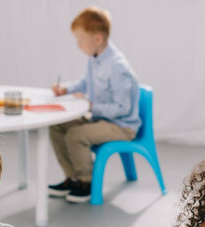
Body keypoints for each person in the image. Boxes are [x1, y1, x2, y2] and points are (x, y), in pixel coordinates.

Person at [49, 5, 141, 203]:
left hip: (121, 126)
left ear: (97, 39)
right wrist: (66, 88)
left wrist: (91, 106)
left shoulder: (117, 66)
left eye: (81, 40)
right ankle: (72, 177)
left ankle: (86, 182)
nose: (78, 45)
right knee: (56, 125)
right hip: (101, 119)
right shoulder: (95, 58)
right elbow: (84, 82)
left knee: (76, 135)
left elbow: (122, 108)